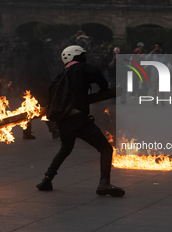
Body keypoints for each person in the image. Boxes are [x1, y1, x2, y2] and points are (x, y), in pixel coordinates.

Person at [36, 45, 125, 197]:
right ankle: (104, 183)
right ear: (77, 56)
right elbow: (96, 73)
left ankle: (46, 179)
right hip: (78, 118)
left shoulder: (60, 76)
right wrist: (104, 88)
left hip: (62, 120)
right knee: (106, 149)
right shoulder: (81, 68)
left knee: (65, 148)